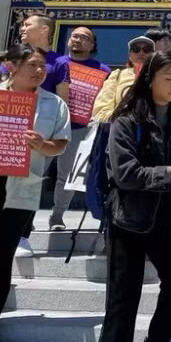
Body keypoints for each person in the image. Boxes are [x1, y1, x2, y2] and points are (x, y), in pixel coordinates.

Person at [91, 51, 171, 342]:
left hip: (168, 220)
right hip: (129, 221)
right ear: (149, 78)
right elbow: (126, 174)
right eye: (168, 79)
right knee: (122, 302)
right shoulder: (126, 119)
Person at [0, 44, 71, 342]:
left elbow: (60, 145)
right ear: (11, 66)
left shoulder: (54, 104)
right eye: (32, 65)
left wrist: (42, 144)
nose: (38, 71)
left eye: (42, 67)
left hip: (20, 192)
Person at [45, 27, 110, 231]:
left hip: (80, 127)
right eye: (74, 36)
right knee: (35, 172)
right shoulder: (56, 64)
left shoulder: (103, 70)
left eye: (84, 38)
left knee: (68, 174)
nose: (78, 40)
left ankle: (57, 216)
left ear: (92, 45)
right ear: (67, 40)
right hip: (49, 125)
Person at [12, 13, 62, 257]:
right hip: (10, 126)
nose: (22, 28)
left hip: (42, 129)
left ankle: (23, 234)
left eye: (27, 24)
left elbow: (62, 96)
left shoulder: (60, 62)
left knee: (32, 181)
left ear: (44, 30)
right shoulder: (12, 56)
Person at [92, 36, 155, 122]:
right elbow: (100, 110)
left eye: (147, 49)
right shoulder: (117, 76)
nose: (141, 52)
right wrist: (123, 121)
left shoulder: (161, 77)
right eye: (136, 49)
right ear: (130, 55)